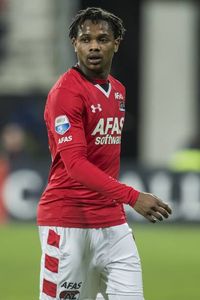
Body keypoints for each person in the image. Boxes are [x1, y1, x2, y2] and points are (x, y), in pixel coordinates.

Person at [37, 7, 172, 300]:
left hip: (111, 224)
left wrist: (117, 213)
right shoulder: (65, 93)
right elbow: (74, 165)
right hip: (68, 221)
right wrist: (134, 197)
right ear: (74, 43)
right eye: (86, 39)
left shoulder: (119, 91)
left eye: (103, 38)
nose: (94, 46)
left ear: (117, 43)